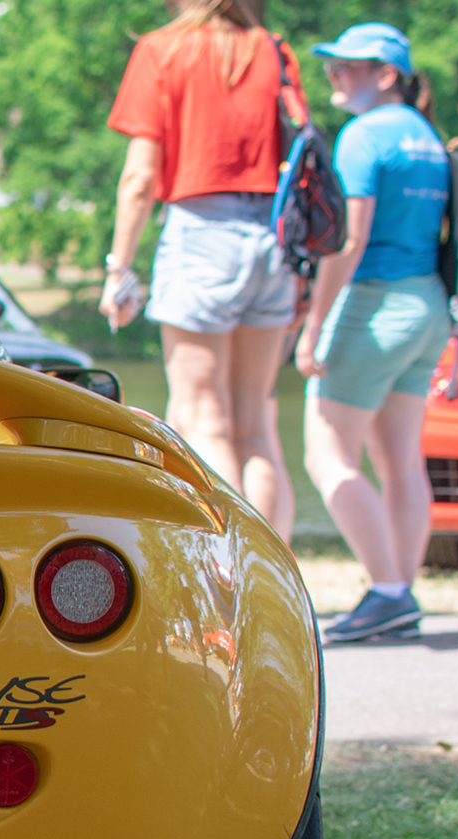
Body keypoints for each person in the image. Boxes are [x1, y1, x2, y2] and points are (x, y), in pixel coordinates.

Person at [101, 0, 305, 538]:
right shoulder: (273, 49)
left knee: (201, 414)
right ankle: (272, 581)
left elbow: (140, 180)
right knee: (255, 424)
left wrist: (118, 267)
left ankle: (228, 571)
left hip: (202, 234)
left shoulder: (162, 49)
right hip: (273, 238)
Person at [295, 24, 448, 642]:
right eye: (331, 64)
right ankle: (401, 594)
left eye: (349, 66)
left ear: (385, 74)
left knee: (327, 453)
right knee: (400, 459)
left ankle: (387, 591)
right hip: (428, 307)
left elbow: (348, 242)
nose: (335, 73)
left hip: (373, 309)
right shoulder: (427, 137)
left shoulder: (364, 135)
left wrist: (313, 327)